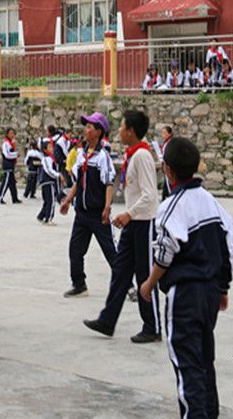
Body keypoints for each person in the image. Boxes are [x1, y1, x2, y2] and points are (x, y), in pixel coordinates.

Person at [140, 137, 233, 419]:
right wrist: (223, 287)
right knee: (204, 358)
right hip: (210, 291)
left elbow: (165, 252)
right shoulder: (212, 204)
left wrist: (149, 282)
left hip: (185, 294)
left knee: (187, 363)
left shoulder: (171, 206)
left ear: (167, 170)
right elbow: (227, 249)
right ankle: (209, 412)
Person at [83, 110, 162, 343]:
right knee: (120, 272)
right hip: (132, 224)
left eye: (122, 126)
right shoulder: (134, 155)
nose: (119, 130)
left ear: (131, 131)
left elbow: (150, 195)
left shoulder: (142, 156)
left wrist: (129, 213)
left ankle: (153, 327)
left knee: (145, 276)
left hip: (143, 224)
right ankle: (107, 320)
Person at [59, 113, 117, 298]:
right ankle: (79, 284)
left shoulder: (102, 157)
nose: (85, 130)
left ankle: (127, 285)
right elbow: (79, 182)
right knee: (75, 250)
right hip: (82, 214)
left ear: (98, 132)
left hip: (98, 214)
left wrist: (107, 207)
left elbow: (109, 183)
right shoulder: (82, 154)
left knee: (110, 251)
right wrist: (68, 200)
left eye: (89, 127)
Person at [37, 139, 61, 224]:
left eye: (52, 147)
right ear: (45, 150)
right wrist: (58, 175)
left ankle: (41, 216)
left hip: (49, 182)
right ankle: (49, 218)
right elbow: (49, 170)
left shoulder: (51, 158)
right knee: (51, 200)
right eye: (50, 147)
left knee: (47, 201)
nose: (52, 148)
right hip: (48, 182)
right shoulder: (46, 159)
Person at [0, 127, 20, 204]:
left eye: (13, 133)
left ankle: (15, 198)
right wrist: (16, 154)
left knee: (12, 182)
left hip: (11, 164)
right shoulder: (6, 143)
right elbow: (7, 154)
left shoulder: (11, 143)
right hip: (7, 164)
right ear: (7, 134)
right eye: (11, 133)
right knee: (6, 181)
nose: (12, 135)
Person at [155, 125, 174, 200]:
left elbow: (167, 155)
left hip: (168, 167)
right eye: (162, 132)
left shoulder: (170, 143)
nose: (163, 134)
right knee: (166, 186)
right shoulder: (166, 143)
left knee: (168, 186)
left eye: (165, 132)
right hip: (165, 166)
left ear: (169, 134)